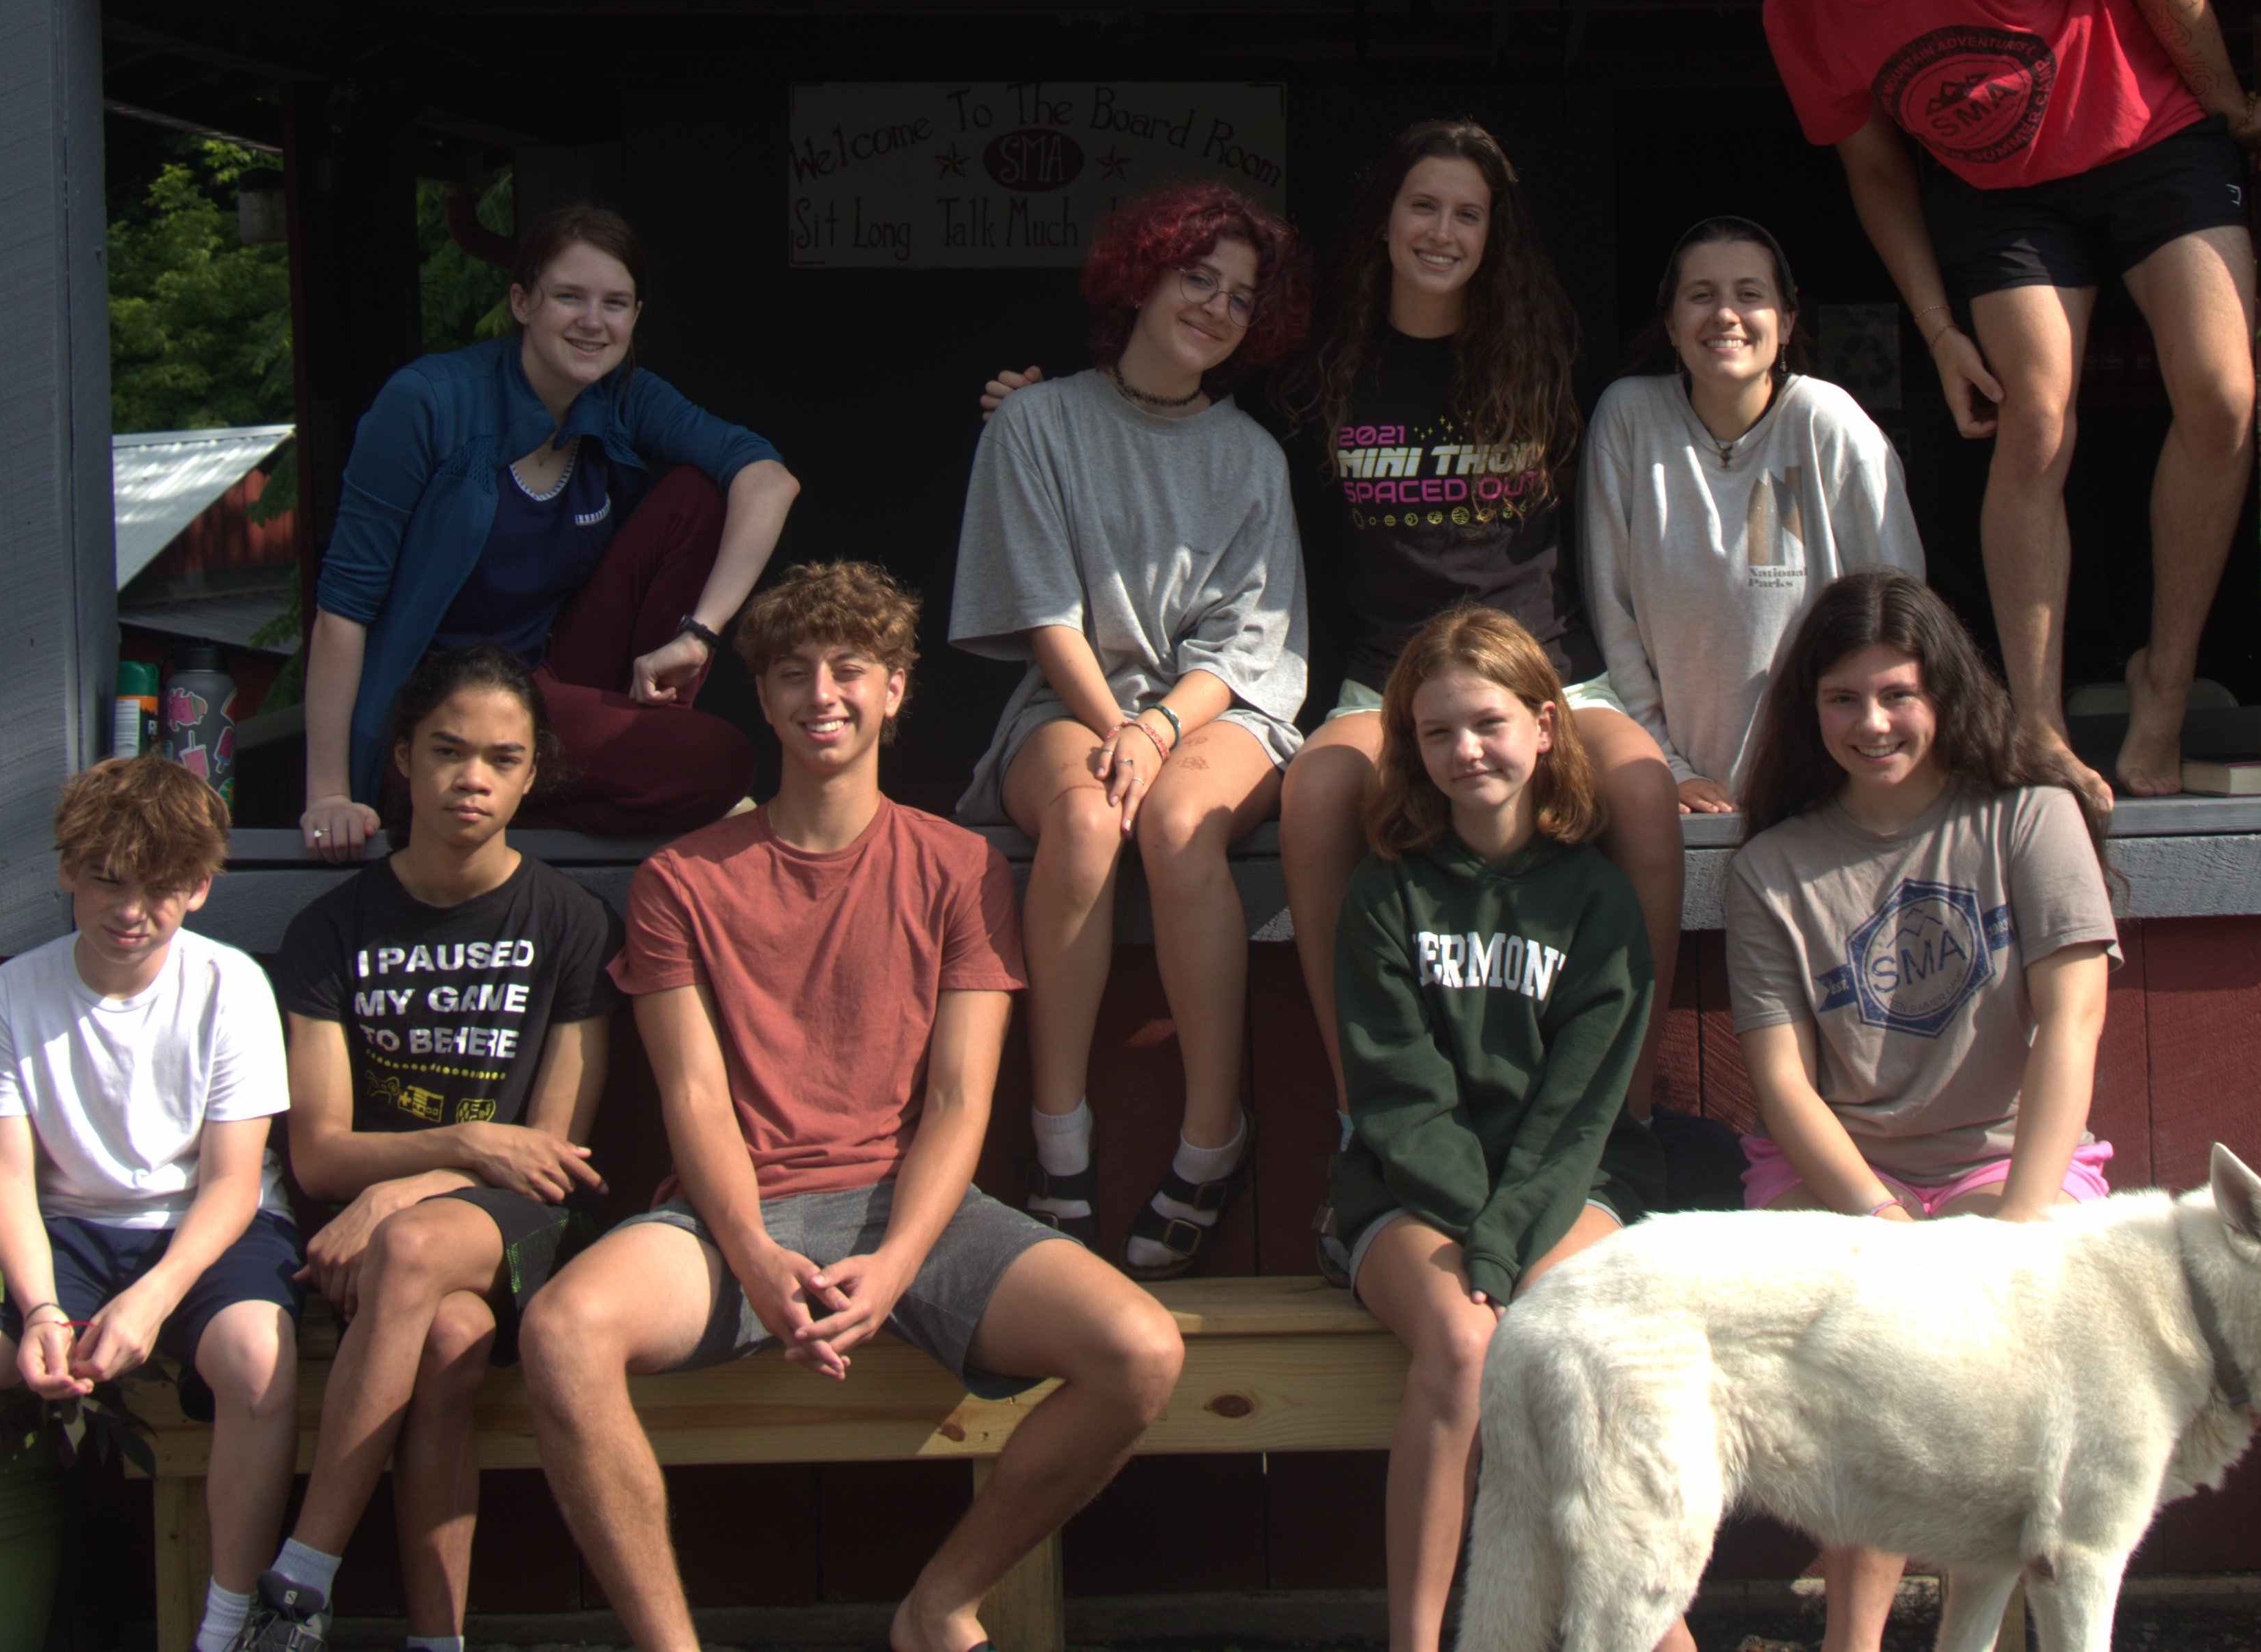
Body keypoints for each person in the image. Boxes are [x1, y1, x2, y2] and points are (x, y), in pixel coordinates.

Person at [976, 121, 1689, 1263]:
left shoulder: (1545, 354)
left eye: (1467, 213)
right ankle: (1368, 1114)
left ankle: (1629, 1114)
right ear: (1386, 223)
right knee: (1313, 798)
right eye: (1423, 207)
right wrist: (1029, 398)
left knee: (1645, 797)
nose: (1442, 232)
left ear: (1494, 234)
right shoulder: (1318, 372)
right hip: (1385, 669)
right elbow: (1159, 391)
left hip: (1542, 664)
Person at [518, 562, 1187, 1652]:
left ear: (896, 689)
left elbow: (962, 1098)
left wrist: (897, 1261)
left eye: (850, 670)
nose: (821, 694)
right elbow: (694, 1096)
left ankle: (938, 1606)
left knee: (1140, 1349)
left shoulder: (962, 866)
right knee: (561, 1331)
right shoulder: (681, 880)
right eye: (793, 672)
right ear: (764, 695)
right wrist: (749, 1253)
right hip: (734, 1215)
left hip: (912, 1210)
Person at [1721, 0, 2261, 798]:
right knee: (2035, 417)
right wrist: (1938, 331)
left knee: (2220, 394)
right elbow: (1876, 173)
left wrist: (2230, 105)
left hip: (2150, 142)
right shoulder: (1796, 14)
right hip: (1999, 192)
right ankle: (2038, 728)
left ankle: (2163, 686)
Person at [1724, 566, 2122, 1652]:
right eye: (1842, 699)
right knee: (1878, 1377)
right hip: (1841, 1174)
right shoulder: (1770, 871)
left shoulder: (2031, 819)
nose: (1873, 722)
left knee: (2031, 1399)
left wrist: (2018, 1229)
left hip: (2009, 1166)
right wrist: (1885, 1226)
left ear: (1943, 691)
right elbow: (1783, 1086)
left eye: (1897, 693)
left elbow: (2069, 1029)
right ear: (1810, 713)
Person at [950, 181, 1313, 1276]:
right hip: (1072, 700)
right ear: (1143, 275)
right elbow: (1042, 608)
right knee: (1085, 818)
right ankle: (1059, 1142)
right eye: (1197, 277)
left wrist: (1158, 732)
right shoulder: (1035, 422)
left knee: (1181, 823)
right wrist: (1123, 728)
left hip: (1216, 708)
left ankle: (1213, 1137)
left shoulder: (1254, 456)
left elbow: (1250, 645)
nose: (1215, 306)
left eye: (1242, 296)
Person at [1331, 606, 1691, 1652]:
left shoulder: (1597, 903)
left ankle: (1640, 1630)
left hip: (1569, 1178)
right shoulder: (1385, 898)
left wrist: (1502, 1241)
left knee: (1560, 1330)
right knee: (1459, 1340)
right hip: (1410, 1190)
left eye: (1487, 723)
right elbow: (1399, 1099)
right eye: (1437, 734)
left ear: (1545, 726)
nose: (1465, 752)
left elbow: (1581, 1112)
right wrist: (1475, 1234)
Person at [245, 646, 617, 1652]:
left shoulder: (569, 924)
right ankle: (439, 1642)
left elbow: (550, 1158)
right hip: (371, 1237)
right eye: (449, 751)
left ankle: (300, 1577)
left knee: (413, 1252)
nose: (474, 778)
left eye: (503, 757)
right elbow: (320, 1157)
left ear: (533, 772)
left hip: (514, 1229)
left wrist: (407, 1193)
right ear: (404, 756)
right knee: (450, 1343)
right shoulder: (333, 931)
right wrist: (453, 1149)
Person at [0, 755, 298, 1652]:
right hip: (66, 1236)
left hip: (205, 1232)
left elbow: (233, 1182)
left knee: (260, 1360)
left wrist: (152, 1300)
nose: (130, 910)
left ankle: (226, 1626)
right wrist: (38, 1306)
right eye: (108, 881)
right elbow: (3, 1173)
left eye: (159, 887)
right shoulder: (13, 994)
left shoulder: (232, 989)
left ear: (198, 888)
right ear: (69, 872)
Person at [300, 203, 800, 857]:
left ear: (636, 317)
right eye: (570, 297)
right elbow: (344, 607)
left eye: (615, 303)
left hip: (550, 679)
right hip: (446, 702)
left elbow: (769, 479)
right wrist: (329, 793)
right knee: (719, 763)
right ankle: (462, 799)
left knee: (697, 494)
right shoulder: (427, 401)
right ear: (522, 302)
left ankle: (619, 752)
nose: (594, 322)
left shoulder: (623, 395)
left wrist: (699, 634)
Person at [1579, 215, 1925, 806]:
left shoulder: (1827, 422)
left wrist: (1843, 765)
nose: (1725, 314)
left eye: (1749, 294)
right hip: (1675, 795)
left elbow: (1898, 617)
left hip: (1828, 790)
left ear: (1787, 321)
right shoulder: (1629, 418)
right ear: (1670, 322)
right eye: (1701, 295)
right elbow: (1612, 617)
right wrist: (1664, 764)